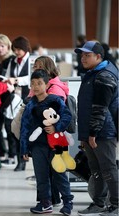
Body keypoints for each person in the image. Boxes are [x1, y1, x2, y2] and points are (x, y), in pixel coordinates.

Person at [20, 69, 74, 215]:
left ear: (47, 84)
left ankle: (68, 202)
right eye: (33, 84)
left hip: (56, 145)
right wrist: (24, 149)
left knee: (59, 173)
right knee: (41, 176)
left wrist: (56, 127)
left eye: (39, 83)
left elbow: (67, 116)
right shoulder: (30, 105)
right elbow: (24, 127)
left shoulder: (55, 100)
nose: (36, 86)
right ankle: (45, 203)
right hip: (38, 147)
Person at [75, 41, 118, 216]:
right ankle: (99, 203)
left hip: (102, 132)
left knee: (108, 169)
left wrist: (92, 133)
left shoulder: (104, 76)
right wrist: (85, 133)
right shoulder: (93, 73)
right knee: (96, 170)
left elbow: (100, 108)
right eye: (82, 55)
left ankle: (116, 205)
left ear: (98, 57)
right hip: (90, 131)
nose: (83, 58)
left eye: (87, 55)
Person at [30, 55, 70, 206]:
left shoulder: (54, 90)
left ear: (47, 69)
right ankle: (50, 200)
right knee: (45, 171)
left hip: (51, 137)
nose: (36, 70)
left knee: (55, 171)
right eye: (35, 67)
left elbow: (61, 116)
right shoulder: (42, 87)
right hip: (42, 136)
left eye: (39, 67)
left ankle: (63, 201)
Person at [4, 35, 32, 171]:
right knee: (11, 127)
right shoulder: (13, 61)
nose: (16, 52)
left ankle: (23, 160)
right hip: (14, 98)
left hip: (27, 98)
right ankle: (17, 157)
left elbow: (33, 77)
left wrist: (17, 80)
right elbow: (10, 75)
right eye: (15, 49)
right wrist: (9, 81)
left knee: (23, 129)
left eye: (19, 49)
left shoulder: (31, 61)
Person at [0, 34, 16, 164]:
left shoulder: (12, 60)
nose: (0, 49)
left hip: (9, 96)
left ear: (8, 47)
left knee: (9, 126)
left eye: (3, 46)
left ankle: (12, 154)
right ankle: (1, 153)